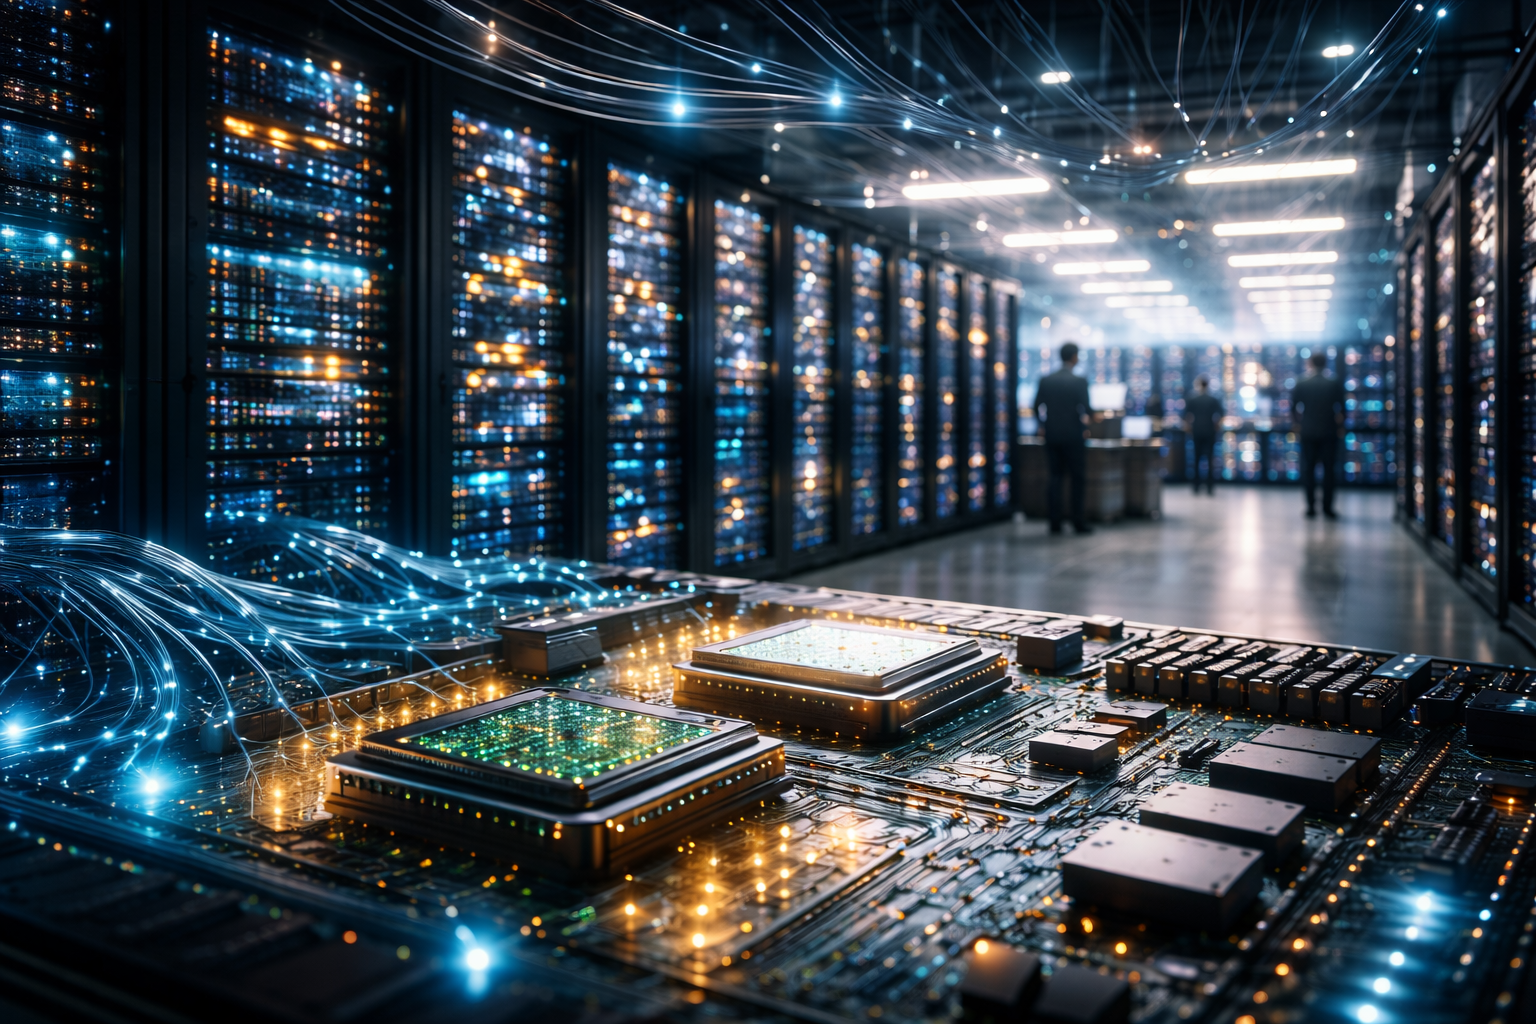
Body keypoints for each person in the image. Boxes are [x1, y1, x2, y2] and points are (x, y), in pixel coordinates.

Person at [1034, 342, 1093, 534]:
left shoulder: (1046, 380)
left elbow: (1036, 406)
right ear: (1074, 357)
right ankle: (1078, 522)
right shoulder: (1079, 381)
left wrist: (1041, 426)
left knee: (1055, 477)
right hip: (1074, 436)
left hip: (1052, 435)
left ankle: (1055, 523)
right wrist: (1088, 423)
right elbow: (1087, 409)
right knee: (1077, 479)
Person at [1291, 351, 1346, 518]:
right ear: (1325, 363)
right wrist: (1339, 426)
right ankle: (1328, 508)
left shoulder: (1302, 383)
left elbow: (1293, 408)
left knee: (1308, 470)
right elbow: (1343, 409)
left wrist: (1298, 425)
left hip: (1308, 433)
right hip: (1329, 432)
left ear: (1310, 363)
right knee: (1329, 471)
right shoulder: (1334, 383)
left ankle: (1310, 507)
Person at [1183, 376, 1222, 495]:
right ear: (1208, 385)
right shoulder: (1213, 400)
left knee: (1196, 459)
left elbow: (1186, 416)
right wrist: (1216, 427)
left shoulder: (1193, 399)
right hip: (1210, 431)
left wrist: (1189, 428)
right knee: (1210, 460)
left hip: (1197, 431)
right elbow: (1221, 415)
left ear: (1199, 385)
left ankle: (1196, 487)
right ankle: (1210, 487)